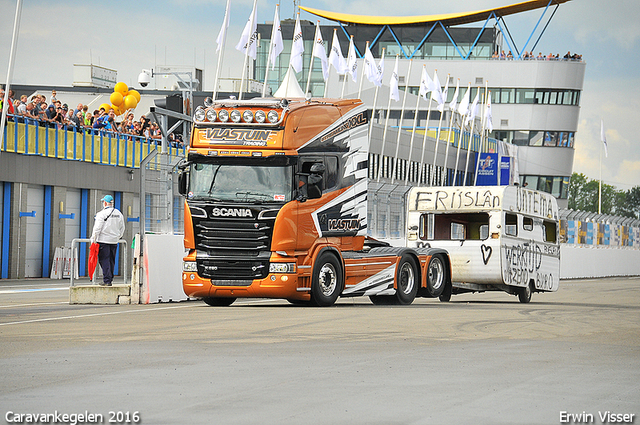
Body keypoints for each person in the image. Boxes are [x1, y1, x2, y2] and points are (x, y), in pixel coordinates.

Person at [90, 195, 125, 286]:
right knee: (111, 260)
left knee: (104, 260)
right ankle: (110, 278)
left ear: (105, 203)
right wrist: (117, 237)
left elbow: (97, 228)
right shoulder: (118, 213)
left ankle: (107, 280)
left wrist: (93, 239)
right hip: (114, 241)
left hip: (103, 240)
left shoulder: (101, 214)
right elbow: (122, 228)